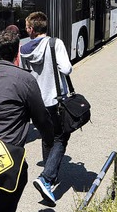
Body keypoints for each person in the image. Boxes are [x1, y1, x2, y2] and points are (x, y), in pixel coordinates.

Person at [0, 29, 54, 211]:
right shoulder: (25, 80)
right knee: (8, 193)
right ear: (17, 54)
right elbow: (41, 119)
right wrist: (51, 139)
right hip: (9, 162)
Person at [19, 11, 72, 205]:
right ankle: (46, 178)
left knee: (47, 137)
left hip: (36, 103)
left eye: (26, 27)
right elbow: (66, 68)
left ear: (32, 29)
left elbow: (25, 77)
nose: (26, 30)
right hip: (55, 101)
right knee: (61, 138)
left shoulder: (23, 49)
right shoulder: (54, 43)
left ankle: (50, 174)